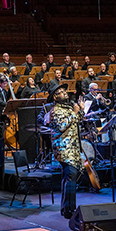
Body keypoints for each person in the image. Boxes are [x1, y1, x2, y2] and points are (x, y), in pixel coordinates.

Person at [48, 82, 82, 219]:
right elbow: (62, 126)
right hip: (64, 148)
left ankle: (66, 208)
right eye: (61, 92)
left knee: (69, 177)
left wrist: (81, 110)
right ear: (55, 97)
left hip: (72, 148)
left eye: (64, 91)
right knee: (71, 176)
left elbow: (77, 120)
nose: (65, 93)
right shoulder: (55, 110)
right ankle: (69, 210)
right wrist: (74, 113)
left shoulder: (67, 108)